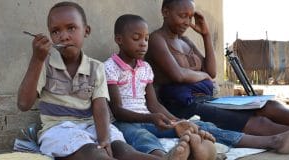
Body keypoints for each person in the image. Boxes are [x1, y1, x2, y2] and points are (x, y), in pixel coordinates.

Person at [17, 2, 191, 160]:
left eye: (71, 28)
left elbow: (100, 106)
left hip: (91, 126)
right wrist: (36, 60)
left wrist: (104, 138)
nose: (64, 36)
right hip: (58, 129)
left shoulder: (96, 68)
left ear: (86, 31)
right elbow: (24, 104)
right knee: (94, 153)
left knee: (123, 149)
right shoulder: (44, 65)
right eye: (56, 31)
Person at [146, 0, 289, 139]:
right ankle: (287, 138)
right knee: (258, 121)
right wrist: (203, 75)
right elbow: (178, 75)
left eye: (190, 17)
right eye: (182, 16)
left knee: (269, 106)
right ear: (165, 12)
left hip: (208, 100)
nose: (187, 22)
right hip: (182, 106)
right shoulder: (156, 39)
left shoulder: (185, 41)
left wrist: (206, 34)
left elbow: (211, 72)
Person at [105, 14, 217, 160]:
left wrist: (177, 121)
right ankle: (164, 156)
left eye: (146, 39)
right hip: (124, 123)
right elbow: (117, 111)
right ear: (119, 40)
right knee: (143, 137)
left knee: (186, 127)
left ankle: (197, 146)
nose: (143, 43)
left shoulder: (145, 68)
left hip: (148, 120)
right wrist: (150, 118)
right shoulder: (109, 67)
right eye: (136, 38)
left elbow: (154, 104)